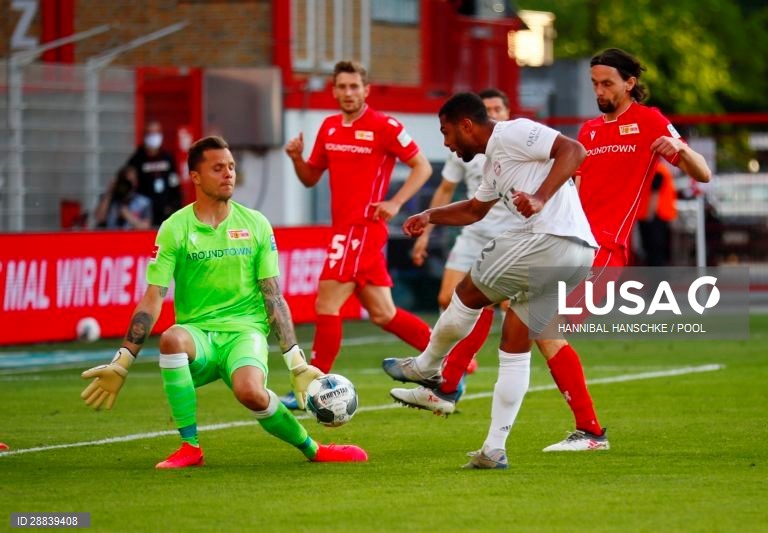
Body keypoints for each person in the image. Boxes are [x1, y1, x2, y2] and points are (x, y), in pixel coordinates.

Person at [386, 48, 711, 454]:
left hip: (605, 248)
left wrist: (679, 150)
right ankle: (456, 395)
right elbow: (560, 180)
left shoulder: (650, 121)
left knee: (539, 328)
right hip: (564, 240)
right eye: (594, 83)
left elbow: (703, 173)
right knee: (504, 316)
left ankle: (587, 432)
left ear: (630, 83)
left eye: (607, 83)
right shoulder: (590, 131)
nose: (600, 90)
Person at [80, 136, 367, 468]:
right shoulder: (174, 228)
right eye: (218, 168)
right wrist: (122, 361)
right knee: (173, 337)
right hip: (198, 335)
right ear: (196, 177)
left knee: (251, 394)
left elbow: (273, 296)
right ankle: (190, 447)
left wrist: (296, 363)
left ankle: (314, 449)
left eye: (231, 167)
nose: (228, 174)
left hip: (244, 334)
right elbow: (152, 299)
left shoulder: (256, 224)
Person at [391, 92, 597, 469]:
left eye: (447, 132)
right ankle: (493, 449)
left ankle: (427, 366)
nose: (446, 142)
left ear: (466, 125)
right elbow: (473, 210)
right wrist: (429, 215)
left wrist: (538, 197)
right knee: (514, 341)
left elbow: (575, 150)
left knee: (468, 292)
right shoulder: (492, 166)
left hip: (550, 240)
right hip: (577, 255)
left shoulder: (512, 132)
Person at [281, 60, 434, 408]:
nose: (348, 93)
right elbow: (310, 178)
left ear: (366, 90)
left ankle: (311, 387)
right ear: (333, 90)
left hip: (362, 228)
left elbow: (422, 166)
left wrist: (396, 202)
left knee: (326, 302)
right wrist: (295, 158)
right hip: (345, 229)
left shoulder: (384, 126)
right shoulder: (330, 127)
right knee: (384, 313)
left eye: (354, 87)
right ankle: (455, 361)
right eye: (342, 87)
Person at [385, 89, 516, 404]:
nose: (494, 113)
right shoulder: (468, 151)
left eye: (499, 108)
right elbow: (448, 191)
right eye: (489, 109)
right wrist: (427, 231)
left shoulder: (516, 144)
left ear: (508, 113)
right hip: (473, 234)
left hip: (511, 236)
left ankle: (444, 375)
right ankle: (447, 377)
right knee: (451, 298)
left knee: (508, 317)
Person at [126, 120, 182, 226]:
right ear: (144, 136)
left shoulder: (167, 158)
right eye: (150, 133)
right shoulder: (137, 159)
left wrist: (174, 206)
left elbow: (175, 183)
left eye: (156, 133)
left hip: (165, 212)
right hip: (144, 214)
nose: (153, 137)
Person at [636, 161, 677, 266]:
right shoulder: (660, 169)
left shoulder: (656, 170)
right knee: (657, 251)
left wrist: (649, 215)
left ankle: (656, 280)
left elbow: (654, 193)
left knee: (654, 252)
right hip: (659, 215)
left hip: (654, 216)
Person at [94, 165, 152, 229]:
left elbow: (146, 227)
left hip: (133, 238)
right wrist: (109, 192)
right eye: (125, 180)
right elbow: (99, 218)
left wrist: (128, 216)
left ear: (136, 182)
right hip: (112, 237)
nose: (127, 184)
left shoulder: (144, 202)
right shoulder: (109, 199)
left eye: (131, 180)